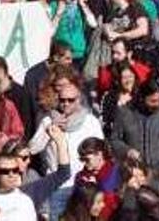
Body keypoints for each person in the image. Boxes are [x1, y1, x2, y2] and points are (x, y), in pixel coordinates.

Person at [28, 72, 103, 221]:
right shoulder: (48, 120)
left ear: (79, 99)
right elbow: (32, 149)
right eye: (62, 100)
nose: (66, 104)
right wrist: (48, 131)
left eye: (71, 100)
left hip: (82, 186)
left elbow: (101, 152)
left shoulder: (90, 122)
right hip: (56, 186)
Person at [110, 79, 159, 170]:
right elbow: (114, 140)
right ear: (142, 98)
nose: (158, 104)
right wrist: (127, 151)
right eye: (153, 101)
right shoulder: (124, 112)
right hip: (135, 171)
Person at [74, 138, 121, 220]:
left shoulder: (117, 171)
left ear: (99, 154)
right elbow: (78, 203)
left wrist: (98, 186)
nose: (84, 163)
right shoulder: (81, 177)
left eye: (87, 159)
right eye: (82, 160)